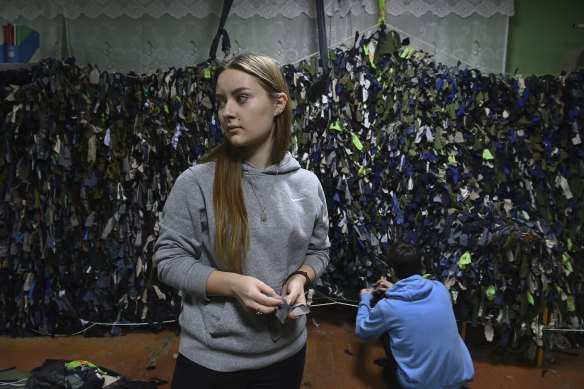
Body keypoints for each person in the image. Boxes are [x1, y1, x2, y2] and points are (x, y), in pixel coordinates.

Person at [153, 52, 330, 389]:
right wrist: (232, 284)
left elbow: (320, 251)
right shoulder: (197, 182)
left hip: (286, 355)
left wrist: (301, 276)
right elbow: (168, 260)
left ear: (278, 103)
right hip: (212, 360)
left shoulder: (308, 185)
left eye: (241, 98)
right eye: (221, 101)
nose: (227, 112)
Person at [355, 243, 474, 389]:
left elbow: (362, 331)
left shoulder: (388, 307)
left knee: (383, 330)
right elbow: (417, 307)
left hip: (420, 385)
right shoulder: (440, 289)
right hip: (458, 378)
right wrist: (395, 288)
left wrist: (365, 300)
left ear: (391, 270)